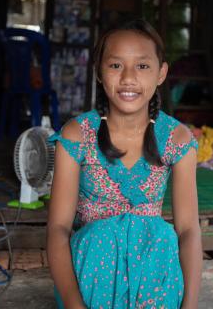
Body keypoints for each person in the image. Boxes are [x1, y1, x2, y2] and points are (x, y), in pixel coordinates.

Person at [47, 18, 202, 308]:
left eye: (142, 66)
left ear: (161, 73)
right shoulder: (77, 135)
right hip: (91, 284)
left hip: (154, 279)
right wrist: (73, 303)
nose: (128, 77)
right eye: (116, 65)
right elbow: (57, 229)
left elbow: (188, 230)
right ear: (98, 72)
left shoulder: (177, 138)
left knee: (162, 235)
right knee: (99, 236)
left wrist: (190, 305)